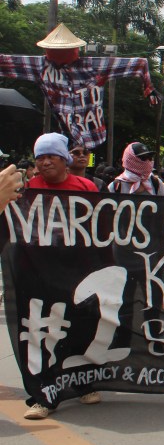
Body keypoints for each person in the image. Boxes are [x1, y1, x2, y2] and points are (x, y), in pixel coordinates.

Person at [22, 133, 101, 420]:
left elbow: (101, 229)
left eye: (50, 156)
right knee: (43, 334)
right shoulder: (28, 189)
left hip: (79, 273)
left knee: (81, 331)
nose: (44, 163)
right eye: (39, 158)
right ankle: (43, 396)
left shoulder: (86, 187)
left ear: (63, 159)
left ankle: (83, 385)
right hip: (40, 274)